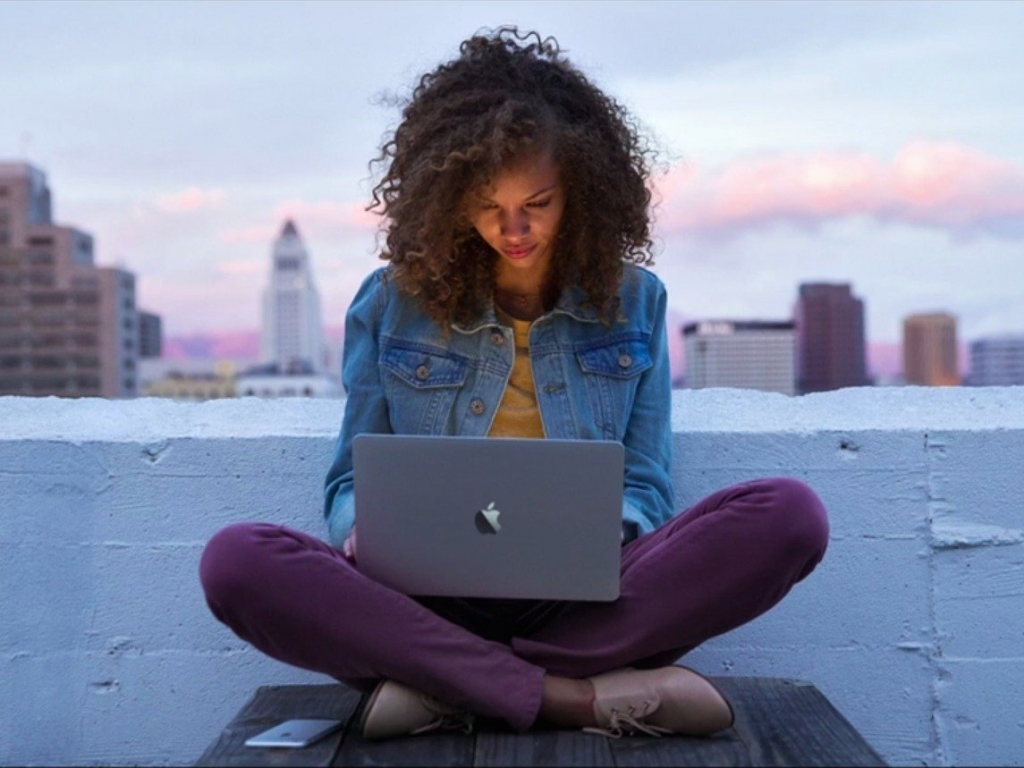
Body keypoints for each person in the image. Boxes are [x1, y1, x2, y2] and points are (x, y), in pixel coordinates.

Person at [200, 27, 829, 741]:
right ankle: (574, 699)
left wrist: (595, 529)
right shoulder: (388, 302)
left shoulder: (637, 300)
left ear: (586, 193)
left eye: (540, 202)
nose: (514, 227)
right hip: (425, 601)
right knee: (238, 563)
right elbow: (349, 481)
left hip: (588, 601)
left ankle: (451, 689)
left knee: (789, 516)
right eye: (487, 204)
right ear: (446, 194)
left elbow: (649, 486)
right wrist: (359, 535)